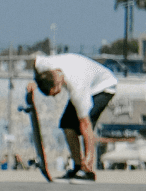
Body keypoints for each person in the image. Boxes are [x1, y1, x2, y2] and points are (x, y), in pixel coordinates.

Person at [31, 52, 118, 180]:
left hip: (103, 87)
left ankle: (88, 169)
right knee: (67, 124)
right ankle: (77, 166)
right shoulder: (44, 66)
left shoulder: (77, 86)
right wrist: (34, 82)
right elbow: (35, 61)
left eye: (55, 93)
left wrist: (89, 155)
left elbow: (86, 124)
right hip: (85, 77)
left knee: (83, 126)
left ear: (57, 83)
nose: (55, 96)